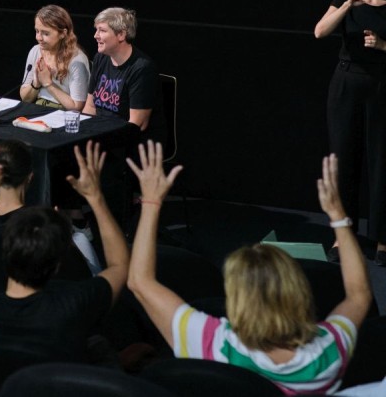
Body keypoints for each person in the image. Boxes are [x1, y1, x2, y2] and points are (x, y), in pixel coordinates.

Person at [126, 141, 371, 395]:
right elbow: (359, 293)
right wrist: (339, 218)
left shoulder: (211, 340)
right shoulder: (328, 353)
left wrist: (151, 203)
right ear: (298, 291)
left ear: (235, 298)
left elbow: (140, 282)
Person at [0, 138, 129, 363]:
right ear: (57, 263)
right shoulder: (73, 305)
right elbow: (120, 266)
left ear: (6, 253)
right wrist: (96, 198)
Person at [314, 0, 386, 265]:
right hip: (346, 85)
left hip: (382, 87)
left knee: (382, 163)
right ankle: (343, 236)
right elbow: (319, 32)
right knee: (344, 162)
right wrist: (347, 7)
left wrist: (384, 45)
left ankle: (382, 239)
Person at [83, 7, 164, 143]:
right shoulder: (100, 58)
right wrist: (82, 134)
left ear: (121, 35)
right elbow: (90, 106)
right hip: (99, 133)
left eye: (102, 30)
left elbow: (136, 125)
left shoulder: (142, 68)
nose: (95, 35)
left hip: (128, 141)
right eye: (96, 30)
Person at [19, 4, 90, 111]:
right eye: (37, 31)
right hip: (37, 108)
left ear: (62, 33)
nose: (38, 38)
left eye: (45, 33)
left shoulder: (77, 61)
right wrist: (36, 83)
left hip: (63, 114)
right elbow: (25, 98)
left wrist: (48, 83)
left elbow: (77, 107)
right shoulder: (35, 51)